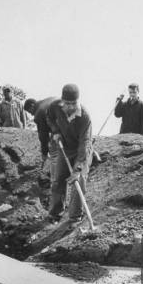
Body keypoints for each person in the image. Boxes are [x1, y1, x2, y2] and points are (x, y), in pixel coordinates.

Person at [45, 84, 92, 222]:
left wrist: (78, 168)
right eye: (67, 103)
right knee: (58, 179)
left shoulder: (84, 116)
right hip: (64, 148)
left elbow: (85, 143)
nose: (71, 107)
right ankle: (55, 213)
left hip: (81, 150)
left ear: (78, 101)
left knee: (79, 180)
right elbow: (49, 117)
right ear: (62, 101)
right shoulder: (55, 106)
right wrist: (55, 131)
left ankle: (75, 217)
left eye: (74, 103)